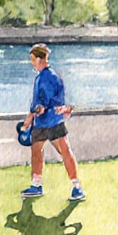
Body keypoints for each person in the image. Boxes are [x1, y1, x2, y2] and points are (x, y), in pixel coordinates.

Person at [20, 44, 83, 201]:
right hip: (53, 121)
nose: (32, 63)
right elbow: (59, 102)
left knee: (41, 152)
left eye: (33, 60)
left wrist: (27, 122)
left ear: (40, 59)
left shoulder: (43, 78)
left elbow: (40, 106)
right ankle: (76, 187)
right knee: (60, 152)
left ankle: (38, 185)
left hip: (46, 123)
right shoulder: (54, 76)